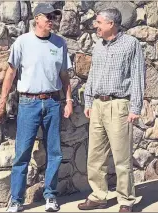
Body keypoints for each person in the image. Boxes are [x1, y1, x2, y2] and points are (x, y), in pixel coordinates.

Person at [0, 3, 73, 212]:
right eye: (48, 17)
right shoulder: (22, 43)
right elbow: (10, 73)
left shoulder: (60, 44)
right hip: (28, 103)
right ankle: (16, 200)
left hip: (53, 102)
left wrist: (69, 100)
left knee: (55, 152)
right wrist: (2, 101)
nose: (52, 20)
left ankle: (50, 197)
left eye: (54, 17)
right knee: (22, 153)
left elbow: (64, 76)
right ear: (37, 18)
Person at [78, 8, 145, 212]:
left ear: (111, 24)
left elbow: (138, 77)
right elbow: (92, 75)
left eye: (99, 22)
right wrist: (89, 102)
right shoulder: (98, 45)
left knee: (121, 158)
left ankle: (126, 200)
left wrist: (135, 107)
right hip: (98, 105)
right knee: (95, 155)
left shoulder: (131, 45)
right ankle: (99, 195)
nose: (95, 26)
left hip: (119, 105)